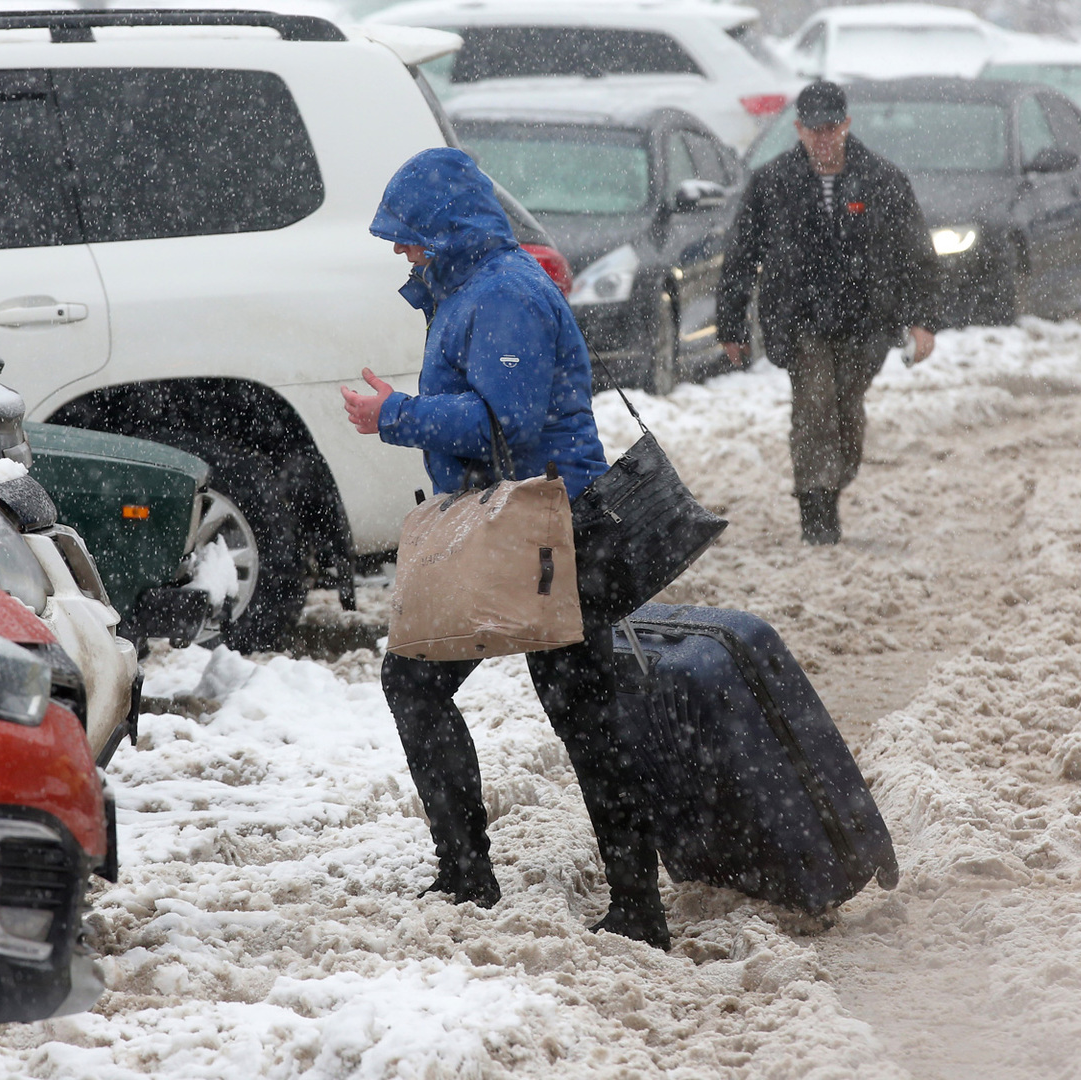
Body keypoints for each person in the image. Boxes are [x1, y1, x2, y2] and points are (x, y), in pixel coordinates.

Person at [341, 148, 671, 949]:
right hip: (520, 523)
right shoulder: (469, 289)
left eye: (408, 233)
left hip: (554, 529)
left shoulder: (505, 294)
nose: (399, 250)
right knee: (440, 683)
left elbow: (503, 425)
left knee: (579, 715)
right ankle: (472, 876)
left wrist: (393, 414)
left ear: (447, 229)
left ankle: (625, 907)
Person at [716, 79, 941, 546]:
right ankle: (817, 513)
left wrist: (921, 320)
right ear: (798, 129)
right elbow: (741, 255)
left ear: (847, 125)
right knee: (814, 405)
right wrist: (732, 323)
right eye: (813, 129)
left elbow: (915, 253)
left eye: (832, 127)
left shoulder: (881, 179)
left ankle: (833, 480)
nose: (823, 138)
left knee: (845, 409)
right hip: (800, 319)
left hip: (866, 318)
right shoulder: (773, 182)